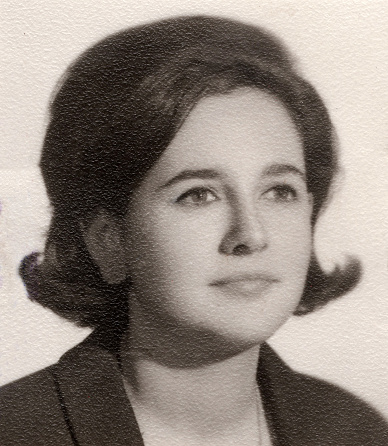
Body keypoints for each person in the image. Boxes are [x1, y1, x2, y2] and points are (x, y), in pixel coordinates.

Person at [0, 15, 387, 446]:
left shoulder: (356, 431)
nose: (251, 235)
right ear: (108, 240)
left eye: (280, 191)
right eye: (198, 195)